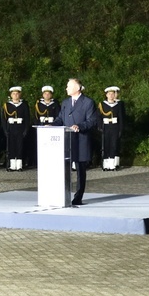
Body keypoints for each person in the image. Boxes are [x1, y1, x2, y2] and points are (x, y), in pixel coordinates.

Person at [51, 78, 99, 206]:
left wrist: (79, 126)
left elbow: (92, 121)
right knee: (63, 169)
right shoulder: (66, 102)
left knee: (80, 171)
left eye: (68, 86)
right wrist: (50, 126)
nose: (66, 88)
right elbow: (60, 119)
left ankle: (78, 197)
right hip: (66, 141)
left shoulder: (88, 102)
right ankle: (61, 195)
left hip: (81, 140)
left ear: (77, 88)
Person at [3, 86, 30, 171]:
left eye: (17, 94)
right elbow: (3, 119)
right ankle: (12, 165)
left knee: (19, 146)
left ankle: (19, 165)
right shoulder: (7, 105)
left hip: (20, 128)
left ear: (20, 94)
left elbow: (27, 118)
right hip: (11, 128)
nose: (15, 95)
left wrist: (26, 129)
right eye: (14, 94)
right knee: (11, 146)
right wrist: (5, 129)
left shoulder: (24, 105)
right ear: (11, 95)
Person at [99, 86, 125, 171]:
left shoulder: (117, 105)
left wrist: (121, 129)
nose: (111, 95)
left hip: (115, 127)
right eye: (109, 94)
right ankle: (106, 164)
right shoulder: (102, 105)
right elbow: (98, 117)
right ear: (106, 95)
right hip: (106, 127)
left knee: (114, 145)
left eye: (112, 94)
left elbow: (121, 117)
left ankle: (112, 164)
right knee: (106, 145)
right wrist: (99, 126)